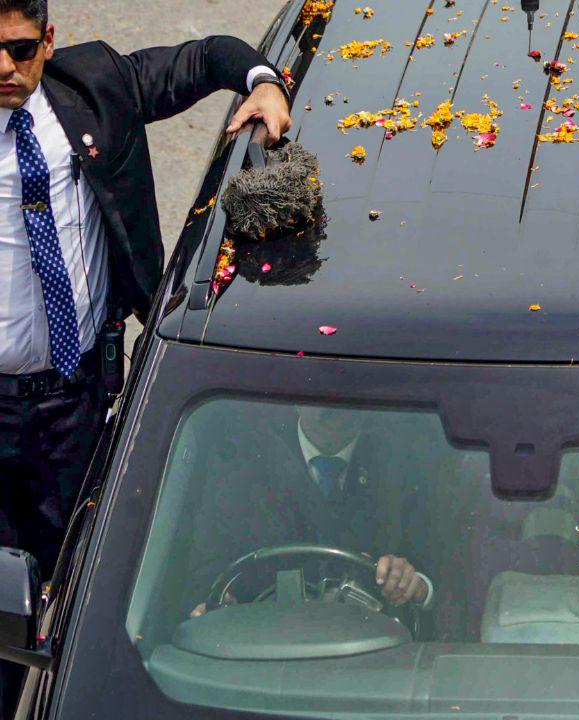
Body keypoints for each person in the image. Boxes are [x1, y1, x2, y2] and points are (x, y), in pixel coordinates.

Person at [0, 0, 291, 711]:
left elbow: (205, 58)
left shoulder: (93, 86)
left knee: (92, 589)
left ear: (49, 40)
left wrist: (264, 81)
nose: (5, 69)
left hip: (80, 401)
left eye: (20, 49)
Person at [185, 404, 431, 618]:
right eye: (325, 386)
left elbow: (438, 576)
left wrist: (414, 584)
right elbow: (207, 572)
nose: (337, 403)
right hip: (263, 649)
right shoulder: (242, 473)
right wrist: (220, 602)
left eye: (348, 387)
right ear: (296, 397)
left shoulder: (405, 469)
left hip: (375, 653)